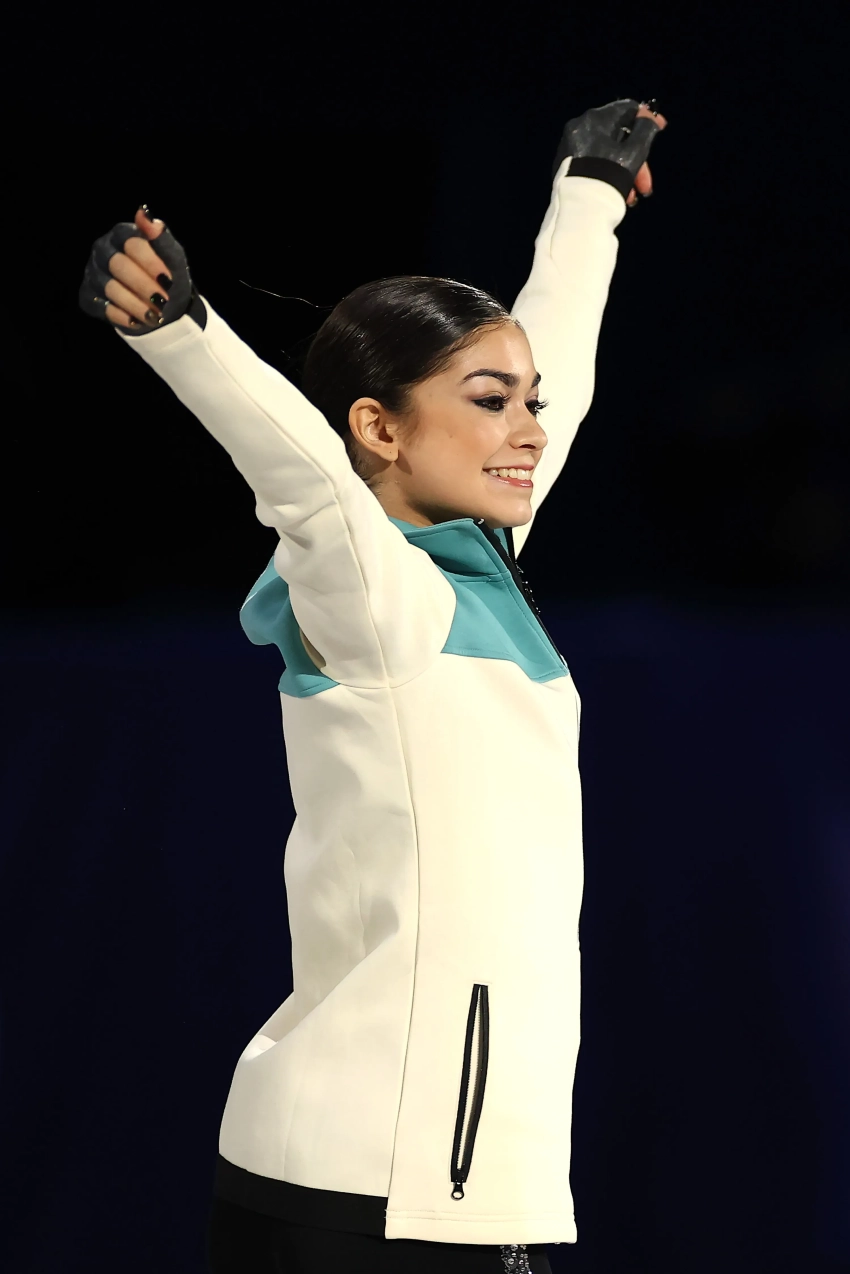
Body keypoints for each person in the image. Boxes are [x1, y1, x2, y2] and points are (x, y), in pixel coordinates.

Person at [78, 97, 668, 1274]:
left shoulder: (476, 563)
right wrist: (182, 332)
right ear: (378, 429)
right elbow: (304, 476)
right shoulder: (382, 598)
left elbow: (556, 354)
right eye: (490, 402)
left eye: (530, 402)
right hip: (371, 1188)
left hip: (430, 1182)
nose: (529, 429)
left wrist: (587, 196)